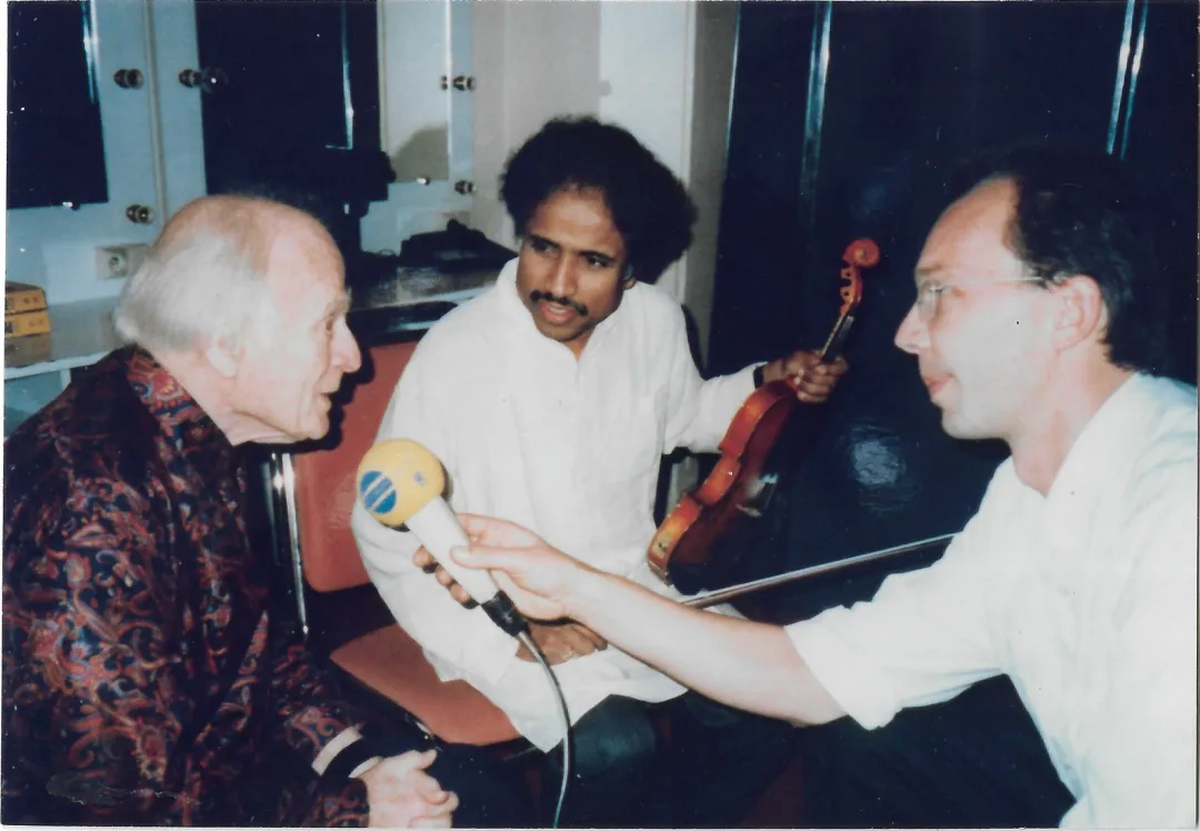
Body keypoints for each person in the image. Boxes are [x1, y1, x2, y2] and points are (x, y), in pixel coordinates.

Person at [439, 147, 1198, 828]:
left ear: (1070, 311)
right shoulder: (1025, 495)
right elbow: (814, 677)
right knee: (861, 737)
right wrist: (569, 582)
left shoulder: (1178, 522)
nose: (906, 333)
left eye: (940, 292)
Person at [351, 116, 847, 825]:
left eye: (593, 261)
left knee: (765, 710)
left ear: (633, 266)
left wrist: (769, 381)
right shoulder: (456, 353)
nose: (558, 283)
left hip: (630, 583)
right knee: (615, 748)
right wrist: (508, 634)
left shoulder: (655, 321)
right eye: (542, 247)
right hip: (503, 608)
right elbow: (382, 528)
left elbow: (686, 418)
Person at [2, 195, 525, 827]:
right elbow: (120, 804)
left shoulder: (187, 432)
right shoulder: (90, 518)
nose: (353, 356)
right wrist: (353, 812)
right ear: (226, 345)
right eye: (327, 324)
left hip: (236, 777)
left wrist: (357, 762)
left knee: (478, 792)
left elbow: (261, 649)